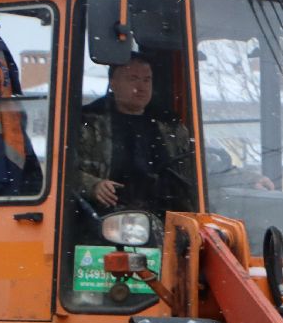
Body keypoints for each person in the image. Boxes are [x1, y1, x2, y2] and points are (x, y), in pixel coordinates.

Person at [75, 56, 198, 216]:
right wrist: (93, 185)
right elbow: (64, 172)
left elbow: (190, 174)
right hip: (102, 218)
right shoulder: (87, 123)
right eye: (133, 79)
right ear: (113, 83)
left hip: (163, 216)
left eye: (147, 80)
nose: (141, 87)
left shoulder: (171, 127)